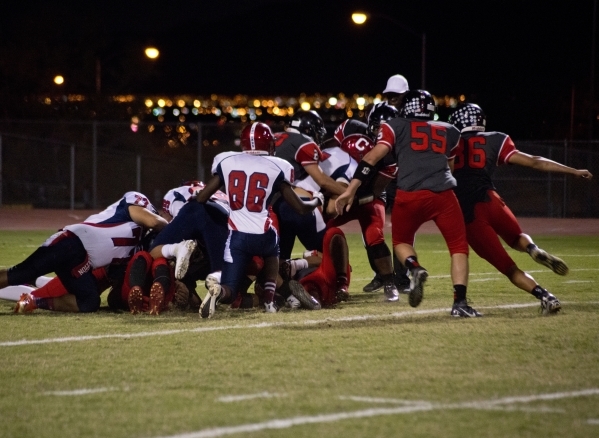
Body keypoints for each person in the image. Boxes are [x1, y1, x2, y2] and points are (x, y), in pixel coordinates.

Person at [336, 90, 482, 318]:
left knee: (401, 242)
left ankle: (414, 267)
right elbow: (450, 167)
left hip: (409, 194)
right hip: (443, 194)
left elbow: (372, 158)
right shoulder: (450, 131)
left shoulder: (394, 125)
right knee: (459, 248)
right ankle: (460, 303)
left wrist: (350, 189)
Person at [448, 103, 593, 314]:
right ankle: (532, 249)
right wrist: (573, 171)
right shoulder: (495, 139)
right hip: (492, 200)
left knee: (509, 268)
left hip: (469, 212)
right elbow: (535, 162)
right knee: (516, 238)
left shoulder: (449, 143)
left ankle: (546, 296)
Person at [196, 122, 323, 318]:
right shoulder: (278, 166)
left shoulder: (227, 161)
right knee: (273, 253)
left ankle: (219, 290)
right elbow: (299, 207)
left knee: (230, 291)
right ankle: (269, 300)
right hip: (264, 235)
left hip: (237, 238)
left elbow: (202, 198)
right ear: (270, 144)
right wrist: (316, 201)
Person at [5, 191, 168, 313]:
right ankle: (31, 282)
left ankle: (35, 299)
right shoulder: (133, 206)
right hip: (71, 241)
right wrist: (171, 228)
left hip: (82, 261)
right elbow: (153, 221)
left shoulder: (135, 247)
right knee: (21, 274)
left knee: (89, 302)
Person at [273, 110, 348, 259]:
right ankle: (337, 278)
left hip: (265, 205)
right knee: (330, 253)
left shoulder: (274, 137)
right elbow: (322, 180)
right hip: (291, 202)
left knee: (278, 260)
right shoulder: (303, 142)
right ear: (308, 129)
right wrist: (348, 193)